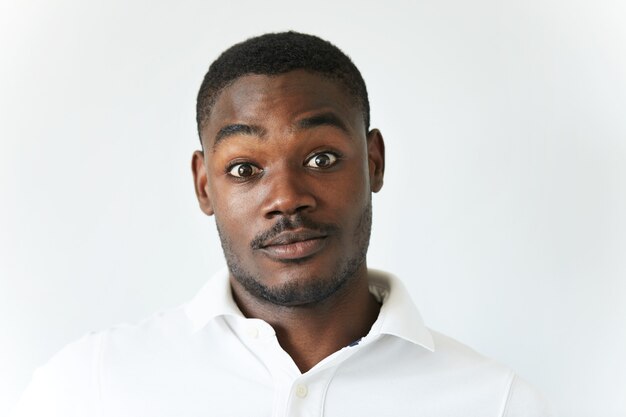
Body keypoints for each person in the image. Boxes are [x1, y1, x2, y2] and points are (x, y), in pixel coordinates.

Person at [11, 31, 553, 417]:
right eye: (245, 168)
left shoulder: (497, 404)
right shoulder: (90, 387)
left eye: (321, 159)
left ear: (374, 163)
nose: (287, 199)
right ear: (205, 185)